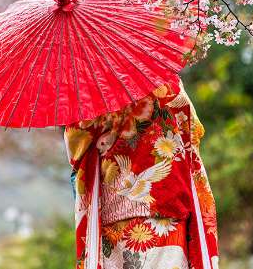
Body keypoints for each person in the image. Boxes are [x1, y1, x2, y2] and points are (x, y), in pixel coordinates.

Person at [64, 78, 219, 269]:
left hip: (116, 209)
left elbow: (77, 143)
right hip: (169, 201)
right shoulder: (169, 82)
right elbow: (192, 131)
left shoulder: (94, 88)